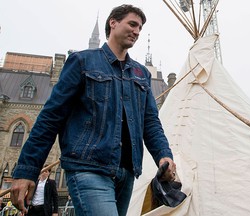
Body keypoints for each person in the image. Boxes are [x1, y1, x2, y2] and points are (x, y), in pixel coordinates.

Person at [10, 4, 176, 216]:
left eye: (140, 28)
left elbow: (151, 122)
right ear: (113, 22)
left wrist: (164, 155)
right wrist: (27, 170)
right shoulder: (82, 61)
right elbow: (50, 118)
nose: (136, 31)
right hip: (88, 168)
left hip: (127, 174)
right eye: (132, 24)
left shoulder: (141, 74)